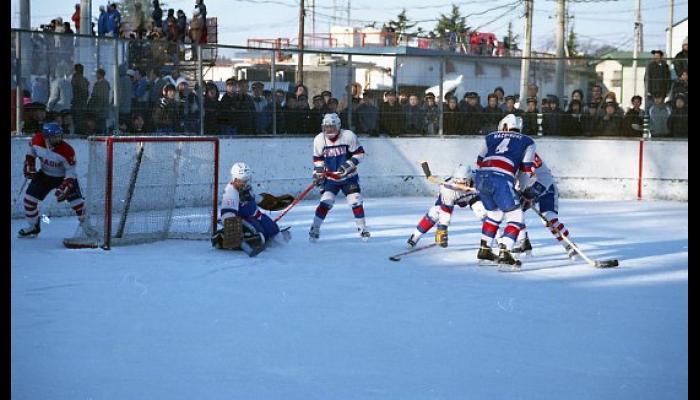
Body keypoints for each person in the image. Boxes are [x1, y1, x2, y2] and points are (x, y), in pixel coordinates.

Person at [473, 114, 536, 269]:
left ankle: (485, 250)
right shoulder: (528, 141)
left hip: (481, 176)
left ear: (504, 126)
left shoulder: (490, 136)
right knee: (516, 216)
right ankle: (506, 253)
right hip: (501, 178)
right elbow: (526, 168)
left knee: (494, 214)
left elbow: (479, 161)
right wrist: (524, 190)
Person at [19, 123, 93, 238]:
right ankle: (33, 227)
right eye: (54, 136)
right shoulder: (37, 140)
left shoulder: (67, 150)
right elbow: (31, 151)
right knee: (29, 201)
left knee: (77, 203)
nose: (58, 139)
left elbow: (71, 171)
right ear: (46, 137)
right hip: (45, 175)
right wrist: (30, 162)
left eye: (59, 136)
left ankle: (88, 228)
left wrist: (66, 185)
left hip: (64, 177)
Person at [211, 162, 294, 256]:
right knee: (259, 235)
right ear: (235, 179)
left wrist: (272, 202)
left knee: (274, 230)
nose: (246, 182)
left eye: (248, 179)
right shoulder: (231, 192)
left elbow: (255, 199)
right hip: (241, 220)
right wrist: (233, 230)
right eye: (243, 180)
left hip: (257, 216)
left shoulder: (246, 188)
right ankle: (221, 237)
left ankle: (266, 238)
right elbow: (227, 213)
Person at [309, 113, 369, 242]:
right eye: (326, 127)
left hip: (349, 177)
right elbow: (318, 159)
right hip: (330, 179)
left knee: (356, 201)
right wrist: (318, 174)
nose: (328, 130)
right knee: (326, 202)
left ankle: (362, 229)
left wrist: (347, 166)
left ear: (338, 126)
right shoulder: (319, 139)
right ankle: (315, 228)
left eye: (331, 127)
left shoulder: (348, 136)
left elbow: (360, 153)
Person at [511, 153, 579, 259]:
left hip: (545, 189)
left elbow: (545, 178)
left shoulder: (529, 154)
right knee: (515, 213)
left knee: (549, 219)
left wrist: (531, 194)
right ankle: (523, 242)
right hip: (524, 190)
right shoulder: (508, 155)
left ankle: (570, 246)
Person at [406, 164, 486, 249]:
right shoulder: (447, 189)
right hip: (452, 196)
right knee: (435, 213)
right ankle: (415, 236)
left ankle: (498, 239)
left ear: (470, 179)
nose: (461, 187)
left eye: (464, 183)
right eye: (458, 183)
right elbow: (446, 212)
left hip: (471, 196)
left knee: (482, 211)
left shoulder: (479, 178)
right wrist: (442, 229)